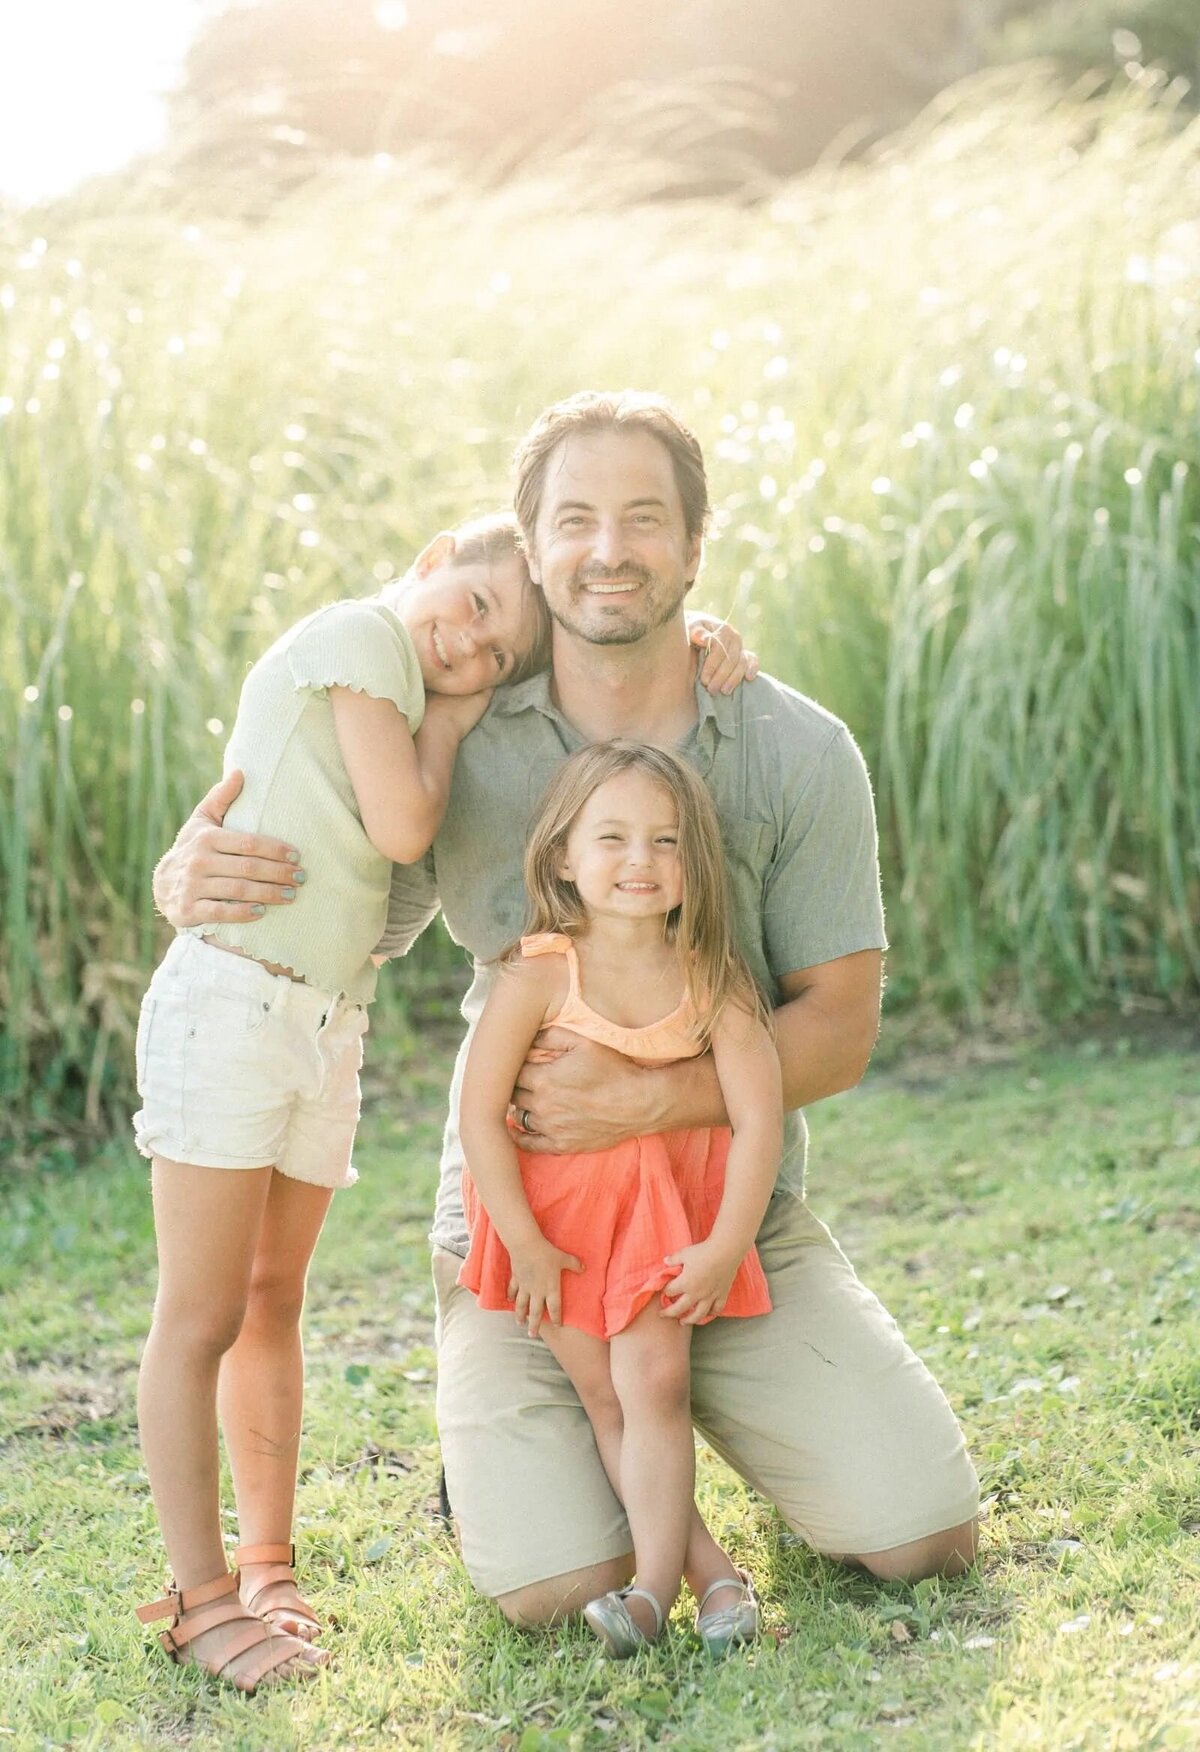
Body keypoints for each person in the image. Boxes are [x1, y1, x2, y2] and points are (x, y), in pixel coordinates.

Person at [153, 389, 980, 1636]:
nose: (609, 550)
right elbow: (344, 903)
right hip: (530, 1237)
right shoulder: (464, 733)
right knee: (551, 1587)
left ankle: (710, 1401)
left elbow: (845, 1028)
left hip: (725, 1226)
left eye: (646, 520)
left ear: (695, 549)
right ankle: (530, 1434)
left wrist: (655, 1096)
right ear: (529, 550)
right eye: (576, 521)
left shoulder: (795, 749)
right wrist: (190, 878)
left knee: (922, 1533)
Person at [133, 514, 551, 1694]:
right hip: (233, 1009)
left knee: (273, 1299)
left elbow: (392, 890)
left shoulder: (405, 699)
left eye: (497, 654)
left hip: (324, 1022)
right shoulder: (363, 638)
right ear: (432, 558)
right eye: (471, 607)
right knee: (200, 1312)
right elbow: (404, 825)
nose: (467, 650)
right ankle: (198, 1600)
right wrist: (460, 716)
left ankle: (265, 1568)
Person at [459, 741, 782, 1656]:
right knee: (605, 1394)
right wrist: (520, 1241)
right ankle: (709, 1574)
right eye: (612, 838)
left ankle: (647, 1592)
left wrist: (724, 1245)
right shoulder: (539, 973)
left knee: (656, 1383)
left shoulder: (712, 975)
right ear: (563, 854)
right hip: (550, 1224)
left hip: (657, 1221)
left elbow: (759, 1120)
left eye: (666, 841)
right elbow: (480, 1118)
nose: (640, 861)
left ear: (694, 862)